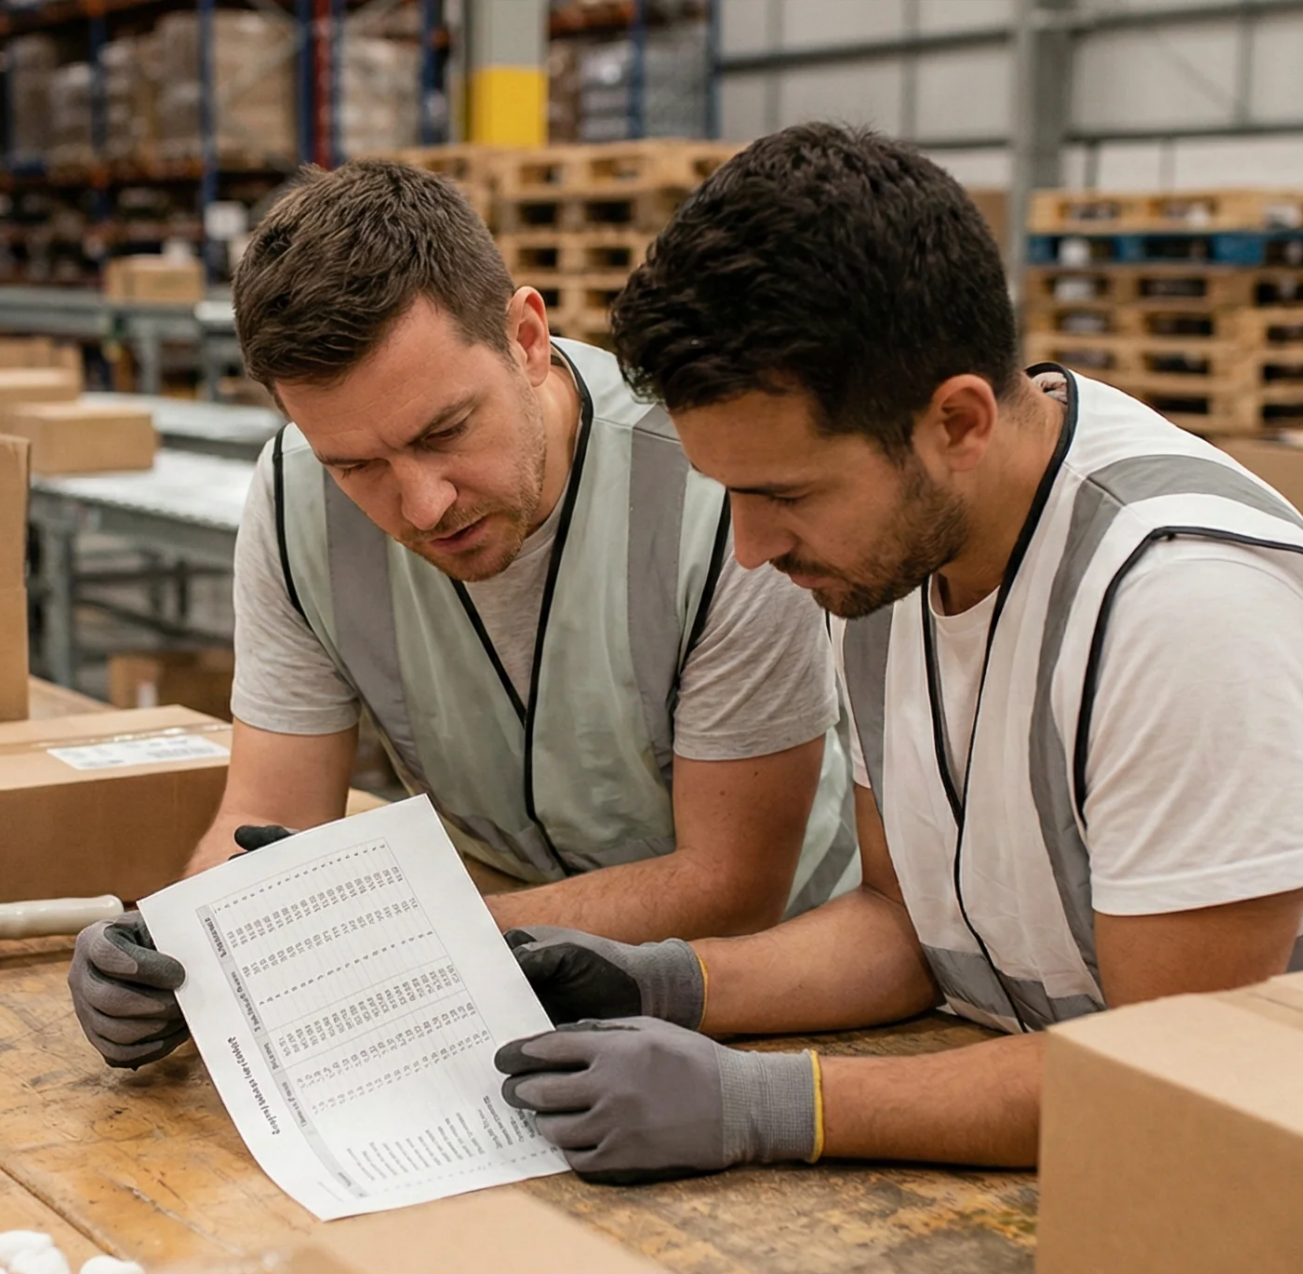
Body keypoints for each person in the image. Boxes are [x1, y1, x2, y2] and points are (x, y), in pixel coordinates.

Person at [491, 124, 1303, 1180]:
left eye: (783, 495)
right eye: (732, 495)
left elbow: (1161, 1078)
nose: (750, 550)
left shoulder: (1184, 608)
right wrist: (664, 983)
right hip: (1195, 1163)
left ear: (957, 422)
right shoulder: (886, 548)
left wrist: (764, 1103)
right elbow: (906, 925)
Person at [69, 159, 860, 1070]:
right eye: (356, 465)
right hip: (492, 992)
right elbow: (272, 814)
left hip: (770, 1002)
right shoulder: (295, 503)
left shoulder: (710, 487)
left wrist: (404, 941)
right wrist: (186, 940)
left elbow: (730, 883)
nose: (423, 505)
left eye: (443, 432)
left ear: (526, 337)